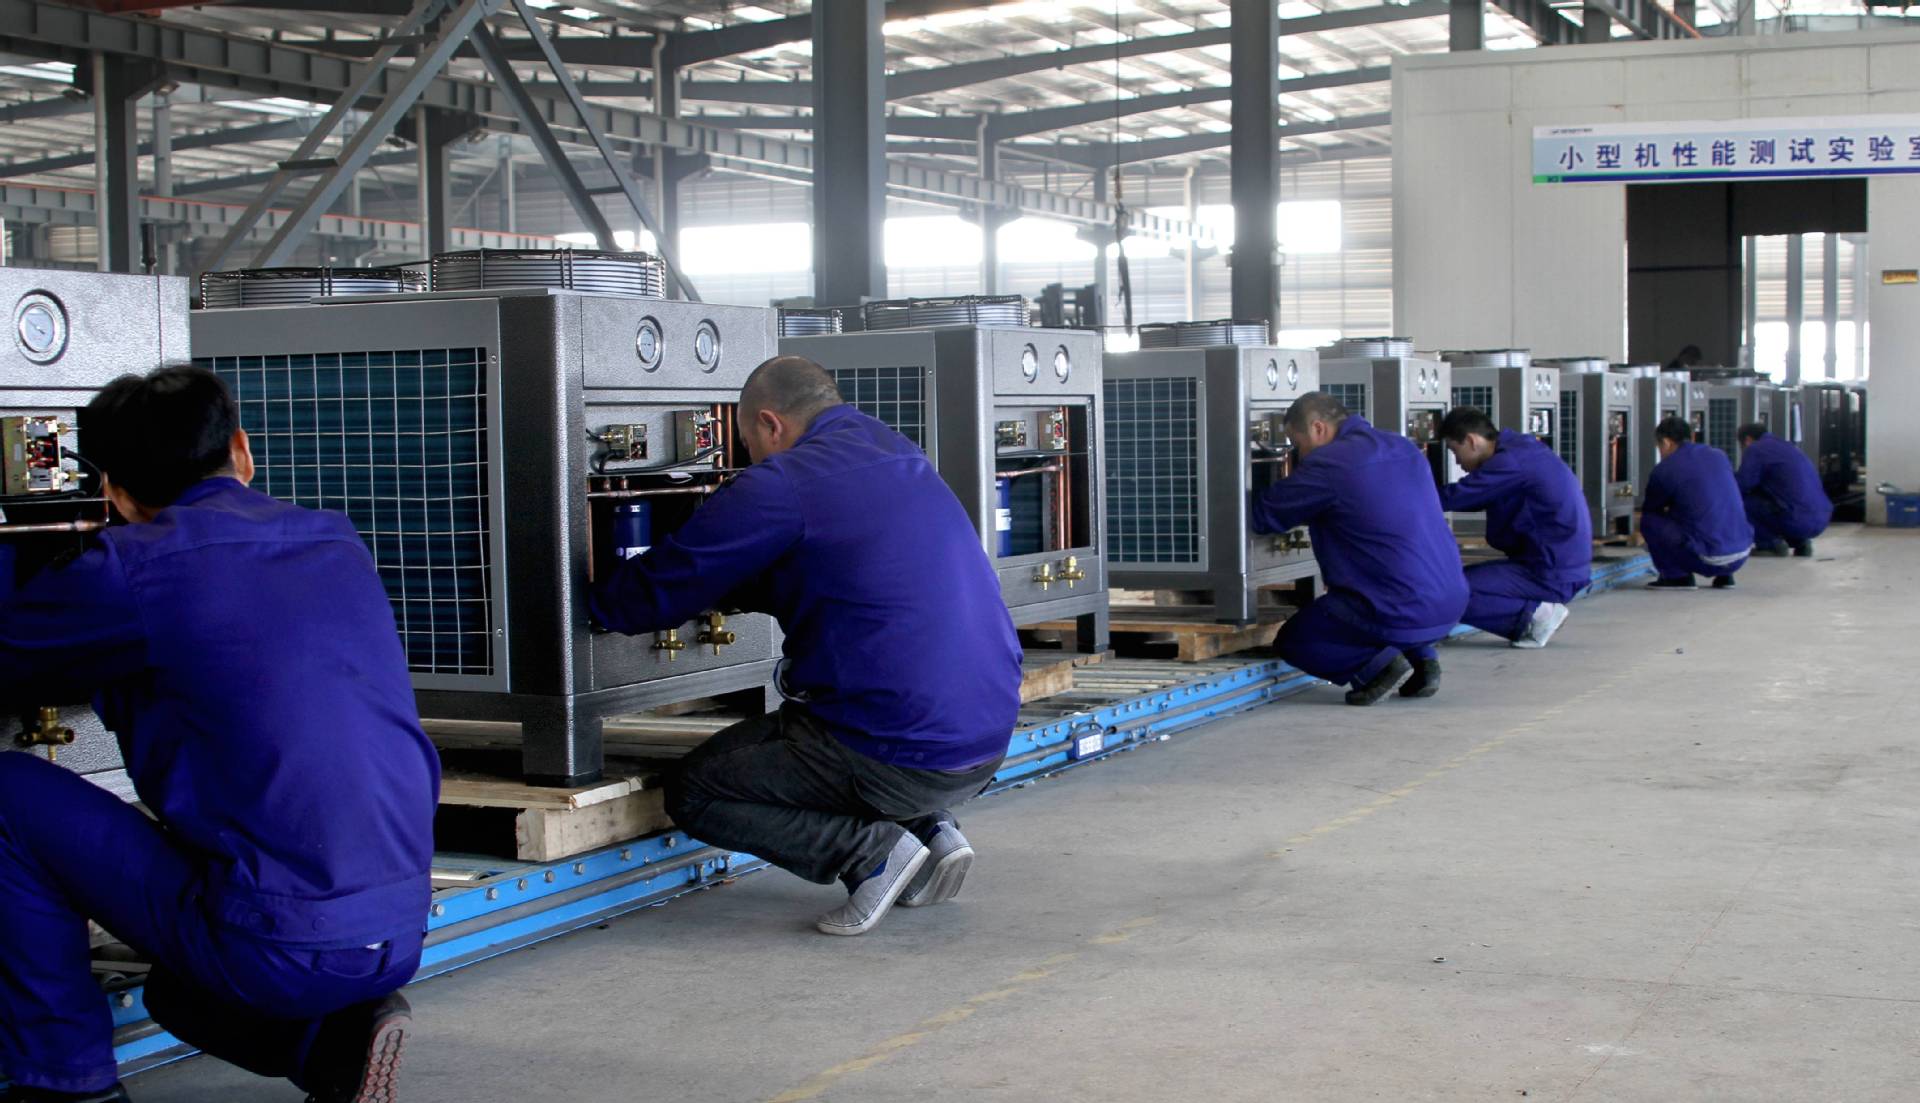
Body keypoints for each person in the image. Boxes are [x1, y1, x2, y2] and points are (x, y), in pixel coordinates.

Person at [0, 367, 437, 1103]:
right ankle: (327, 1041)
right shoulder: (336, 540)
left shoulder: (134, 567)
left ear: (113, 492)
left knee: (8, 793)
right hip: (397, 928)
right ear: (241, 450)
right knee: (175, 993)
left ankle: (65, 1084)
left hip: (275, 942)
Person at [590, 356, 1021, 938]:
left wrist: (582, 605)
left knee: (695, 789)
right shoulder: (896, 452)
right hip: (985, 735)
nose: (751, 458)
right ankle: (932, 832)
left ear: (770, 423)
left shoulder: (784, 482)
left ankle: (869, 855)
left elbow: (660, 588)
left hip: (898, 749)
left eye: (748, 443)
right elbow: (830, 568)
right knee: (852, 719)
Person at [1250, 392, 1469, 705]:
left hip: (1397, 605)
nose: (1299, 455)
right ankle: (1424, 661)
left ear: (1318, 429)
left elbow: (1263, 515)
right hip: (1451, 600)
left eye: (1297, 444)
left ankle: (1377, 669)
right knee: (1396, 592)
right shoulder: (1403, 447)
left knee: (1296, 640)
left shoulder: (1330, 463)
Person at [1437, 407, 1593, 649]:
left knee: (1446, 592)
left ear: (1471, 441)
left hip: (1551, 571)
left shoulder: (1510, 462)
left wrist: (1400, 497)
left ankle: (1535, 617)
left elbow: (1457, 496)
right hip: (1559, 563)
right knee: (1456, 582)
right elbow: (1476, 498)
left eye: (1455, 451)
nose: (1457, 461)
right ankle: (1534, 613)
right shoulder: (1521, 449)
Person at [1641, 416, 1754, 590]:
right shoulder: (1719, 456)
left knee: (1649, 521)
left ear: (1666, 442)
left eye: (1659, 447)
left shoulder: (1665, 468)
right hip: (1741, 554)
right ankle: (1725, 575)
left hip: (1707, 558)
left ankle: (1676, 577)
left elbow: (1651, 509)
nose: (1660, 452)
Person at [1736, 422, 1831, 558]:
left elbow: (1743, 483)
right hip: (1820, 518)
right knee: (1780, 503)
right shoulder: (1789, 447)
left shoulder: (1756, 449)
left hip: (1795, 519)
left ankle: (1770, 545)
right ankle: (1801, 543)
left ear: (1747, 440)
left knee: (1741, 502)